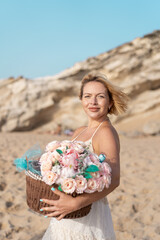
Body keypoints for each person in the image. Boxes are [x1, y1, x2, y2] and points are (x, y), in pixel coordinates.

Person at [41, 71, 129, 240]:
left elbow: (115, 179)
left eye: (100, 97)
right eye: (87, 96)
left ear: (110, 102)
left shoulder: (105, 132)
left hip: (87, 212)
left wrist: (75, 203)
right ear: (81, 99)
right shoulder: (79, 131)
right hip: (68, 210)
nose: (93, 102)